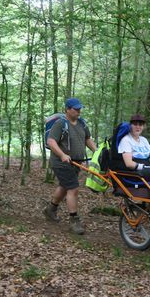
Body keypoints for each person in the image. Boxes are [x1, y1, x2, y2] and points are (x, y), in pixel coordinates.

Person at [44, 98, 97, 235]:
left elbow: (87, 139)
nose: (79, 111)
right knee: (73, 188)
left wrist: (97, 152)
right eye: (76, 109)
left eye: (79, 108)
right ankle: (74, 220)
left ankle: (50, 209)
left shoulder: (82, 123)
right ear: (67, 109)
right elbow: (51, 141)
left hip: (76, 162)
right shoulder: (61, 123)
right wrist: (62, 155)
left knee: (64, 186)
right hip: (62, 162)